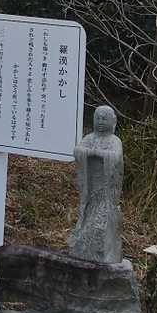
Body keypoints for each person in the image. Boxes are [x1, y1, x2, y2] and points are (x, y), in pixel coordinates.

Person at [68, 105, 123, 265]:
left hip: (106, 189)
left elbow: (116, 157)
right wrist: (87, 153)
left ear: (113, 121)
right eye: (98, 118)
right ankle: (84, 246)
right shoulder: (90, 138)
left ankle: (100, 249)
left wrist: (96, 153)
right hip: (90, 186)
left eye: (104, 118)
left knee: (102, 218)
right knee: (87, 215)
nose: (100, 121)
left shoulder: (114, 141)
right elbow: (78, 150)